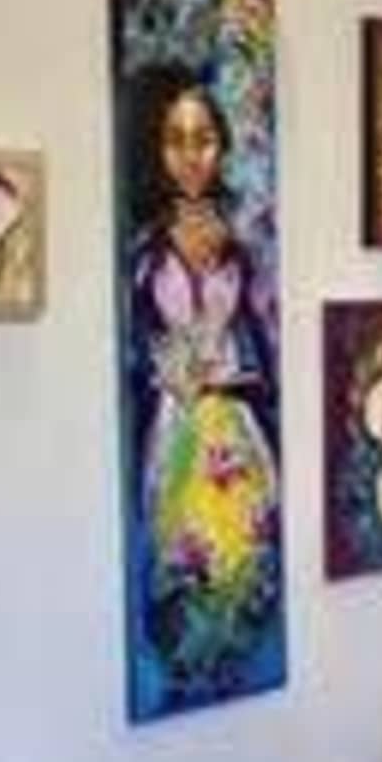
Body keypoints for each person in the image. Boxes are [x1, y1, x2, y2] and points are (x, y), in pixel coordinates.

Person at [122, 68, 282, 700]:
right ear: (158, 151)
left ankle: (232, 657)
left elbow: (264, 345)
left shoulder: (244, 250)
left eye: (204, 138)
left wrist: (234, 374)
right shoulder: (143, 254)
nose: (191, 155)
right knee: (180, 557)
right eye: (175, 140)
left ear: (222, 146)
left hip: (234, 422)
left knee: (242, 556)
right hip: (171, 425)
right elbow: (139, 353)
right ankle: (186, 659)